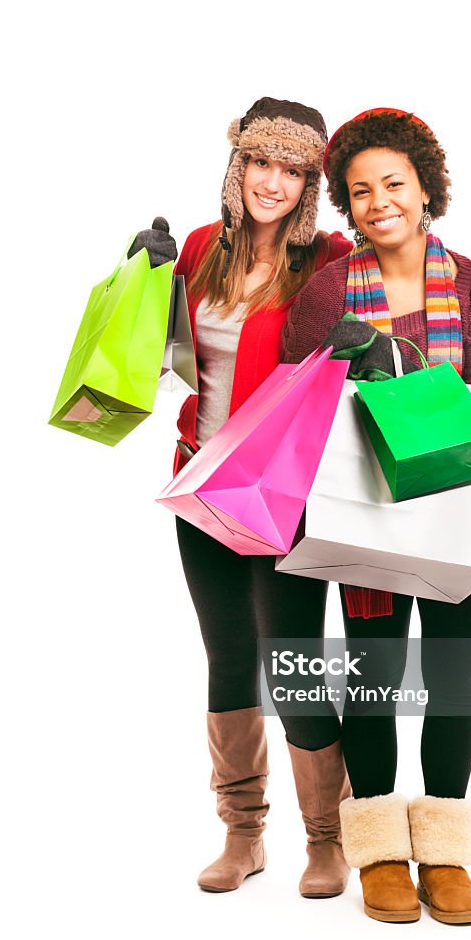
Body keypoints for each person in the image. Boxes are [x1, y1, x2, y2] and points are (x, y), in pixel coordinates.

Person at [282, 108, 471, 924]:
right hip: (366, 520)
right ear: (347, 208)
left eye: (394, 184)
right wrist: (326, 350)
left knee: (453, 684)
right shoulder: (327, 288)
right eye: (360, 191)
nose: (378, 201)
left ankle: (446, 856)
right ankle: (380, 850)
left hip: (458, 517)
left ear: (426, 191)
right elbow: (293, 397)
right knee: (375, 681)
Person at [138, 98, 353, 898]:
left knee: (292, 665)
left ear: (309, 183)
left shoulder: (328, 259)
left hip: (284, 496)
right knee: (228, 659)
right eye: (261, 162)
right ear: (238, 167)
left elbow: (407, 267)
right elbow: (160, 355)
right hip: (200, 482)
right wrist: (139, 272)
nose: (273, 181)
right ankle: (243, 834)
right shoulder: (201, 248)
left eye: (293, 170)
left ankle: (326, 843)